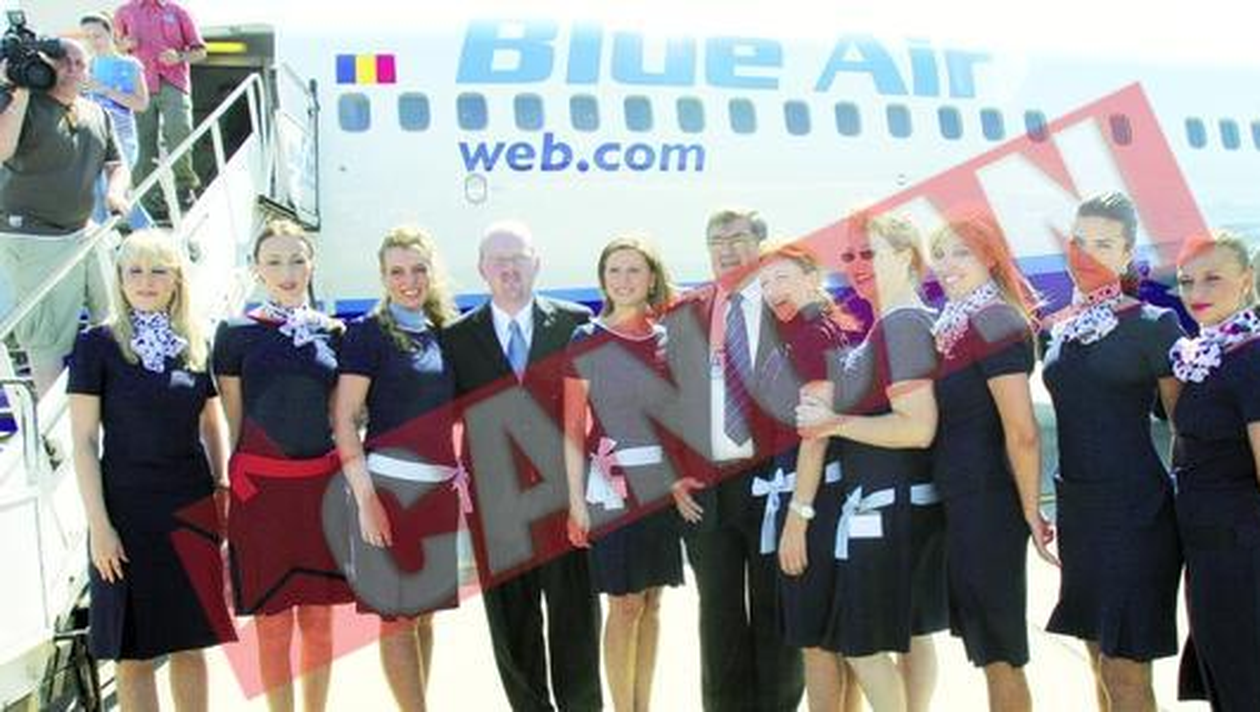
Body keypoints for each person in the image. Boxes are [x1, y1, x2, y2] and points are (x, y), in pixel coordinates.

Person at [68, 229, 234, 710]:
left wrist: (222, 486)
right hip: (125, 516)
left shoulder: (195, 342)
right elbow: (83, 443)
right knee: (132, 653)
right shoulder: (97, 345)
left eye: (158, 270)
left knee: (190, 643)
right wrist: (100, 528)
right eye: (134, 270)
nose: (146, 281)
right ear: (119, 279)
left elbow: (211, 422)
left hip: (190, 510)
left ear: (176, 278)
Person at [442, 220, 602, 712]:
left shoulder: (574, 323)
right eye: (499, 260)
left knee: (575, 616)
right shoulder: (457, 338)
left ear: (537, 263)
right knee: (512, 624)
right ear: (482, 269)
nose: (509, 268)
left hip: (564, 496)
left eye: (518, 258)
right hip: (497, 505)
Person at [1040, 192, 1184, 712]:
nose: (1088, 254)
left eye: (1104, 244)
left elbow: (1187, 428)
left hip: (1136, 514)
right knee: (1098, 662)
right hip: (1080, 514)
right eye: (1080, 241)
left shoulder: (1153, 325)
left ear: (1127, 254)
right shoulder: (1059, 329)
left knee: (1125, 673)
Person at [795, 213, 944, 712]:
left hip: (887, 512)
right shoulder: (898, 322)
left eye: (869, 253)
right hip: (900, 507)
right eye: (849, 255)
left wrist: (832, 423)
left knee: (862, 646)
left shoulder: (901, 326)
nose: (856, 264)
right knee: (913, 632)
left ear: (905, 256)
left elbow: (917, 427)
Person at [666, 208, 805, 712]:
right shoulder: (685, 312)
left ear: (760, 244)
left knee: (776, 609)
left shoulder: (787, 305)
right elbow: (665, 400)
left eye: (737, 238)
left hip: (774, 484)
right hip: (707, 488)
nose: (726, 249)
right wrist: (672, 475)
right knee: (718, 614)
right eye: (716, 241)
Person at [214, 219, 353, 712]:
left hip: (320, 492)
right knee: (272, 626)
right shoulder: (234, 334)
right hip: (263, 497)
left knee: (319, 622)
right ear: (257, 270)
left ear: (311, 265)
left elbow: (339, 418)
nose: (287, 272)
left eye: (296, 260)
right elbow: (234, 421)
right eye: (274, 262)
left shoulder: (334, 332)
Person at [926, 217, 1057, 711]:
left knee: (1000, 651)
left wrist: (1030, 510)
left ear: (990, 258)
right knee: (985, 648)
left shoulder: (995, 321)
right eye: (941, 253)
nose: (947, 264)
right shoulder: (955, 322)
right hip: (961, 500)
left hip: (988, 503)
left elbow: (1022, 432)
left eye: (961, 252)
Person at [330, 226, 460, 712]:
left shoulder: (444, 330)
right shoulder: (368, 334)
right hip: (388, 493)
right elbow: (344, 420)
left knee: (424, 615)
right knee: (398, 618)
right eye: (397, 272)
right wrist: (366, 501)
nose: (409, 281)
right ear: (383, 277)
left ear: (433, 271)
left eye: (418, 269)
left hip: (438, 495)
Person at [564, 236, 684, 712]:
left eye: (634, 269)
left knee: (652, 603)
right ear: (602, 279)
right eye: (614, 270)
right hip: (610, 488)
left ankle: (642, 705)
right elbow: (572, 428)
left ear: (652, 278)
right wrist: (576, 502)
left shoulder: (667, 338)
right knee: (624, 603)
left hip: (659, 488)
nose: (623, 279)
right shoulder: (586, 338)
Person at [757, 242, 861, 712]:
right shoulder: (810, 331)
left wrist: (798, 518)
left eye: (783, 278)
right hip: (821, 494)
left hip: (813, 499)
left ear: (812, 278)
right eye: (764, 282)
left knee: (815, 640)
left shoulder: (812, 337)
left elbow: (815, 433)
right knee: (835, 638)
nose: (772, 290)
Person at [0, 37, 127, 396]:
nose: (71, 68)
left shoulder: (96, 112)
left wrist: (116, 192)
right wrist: (18, 92)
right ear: (46, 65)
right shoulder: (23, 104)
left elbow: (117, 163)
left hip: (84, 231)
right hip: (32, 236)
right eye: (61, 61)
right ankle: (54, 424)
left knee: (112, 319)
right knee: (47, 339)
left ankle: (108, 402)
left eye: (79, 62)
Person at [1168, 231, 1260, 711]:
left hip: (1241, 555)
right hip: (1208, 552)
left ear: (1246, 280)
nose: (1196, 292)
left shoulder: (1251, 356)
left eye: (1212, 278)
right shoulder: (1210, 352)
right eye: (1187, 281)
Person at [113, 0, 207, 215]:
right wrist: (123, 46)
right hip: (138, 85)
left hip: (173, 83)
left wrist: (180, 56)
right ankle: (149, 200)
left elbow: (200, 51)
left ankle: (184, 187)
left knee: (179, 131)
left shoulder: (178, 10)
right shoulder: (124, 11)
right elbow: (114, 49)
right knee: (141, 144)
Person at [80, 11, 152, 230]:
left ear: (111, 33)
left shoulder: (130, 64)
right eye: (88, 37)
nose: (93, 41)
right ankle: (112, 238)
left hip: (122, 137)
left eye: (97, 35)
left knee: (112, 188)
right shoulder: (85, 66)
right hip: (94, 136)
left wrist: (105, 90)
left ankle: (145, 232)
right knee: (97, 192)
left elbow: (141, 103)